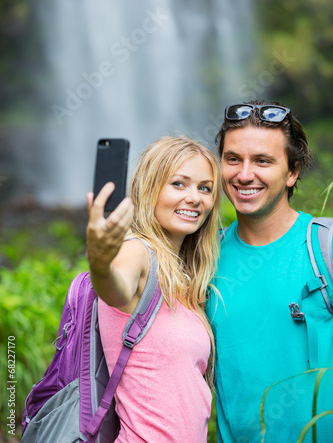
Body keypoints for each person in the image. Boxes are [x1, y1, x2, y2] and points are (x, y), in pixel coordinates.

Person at [206, 101, 333, 443]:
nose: (244, 174)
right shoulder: (203, 260)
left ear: (292, 172)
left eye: (262, 161)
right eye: (233, 159)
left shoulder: (324, 247)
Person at [86, 135, 222, 442]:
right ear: (150, 188)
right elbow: (114, 288)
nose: (195, 197)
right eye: (178, 183)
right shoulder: (136, 252)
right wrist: (100, 260)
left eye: (205, 187)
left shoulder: (185, 276)